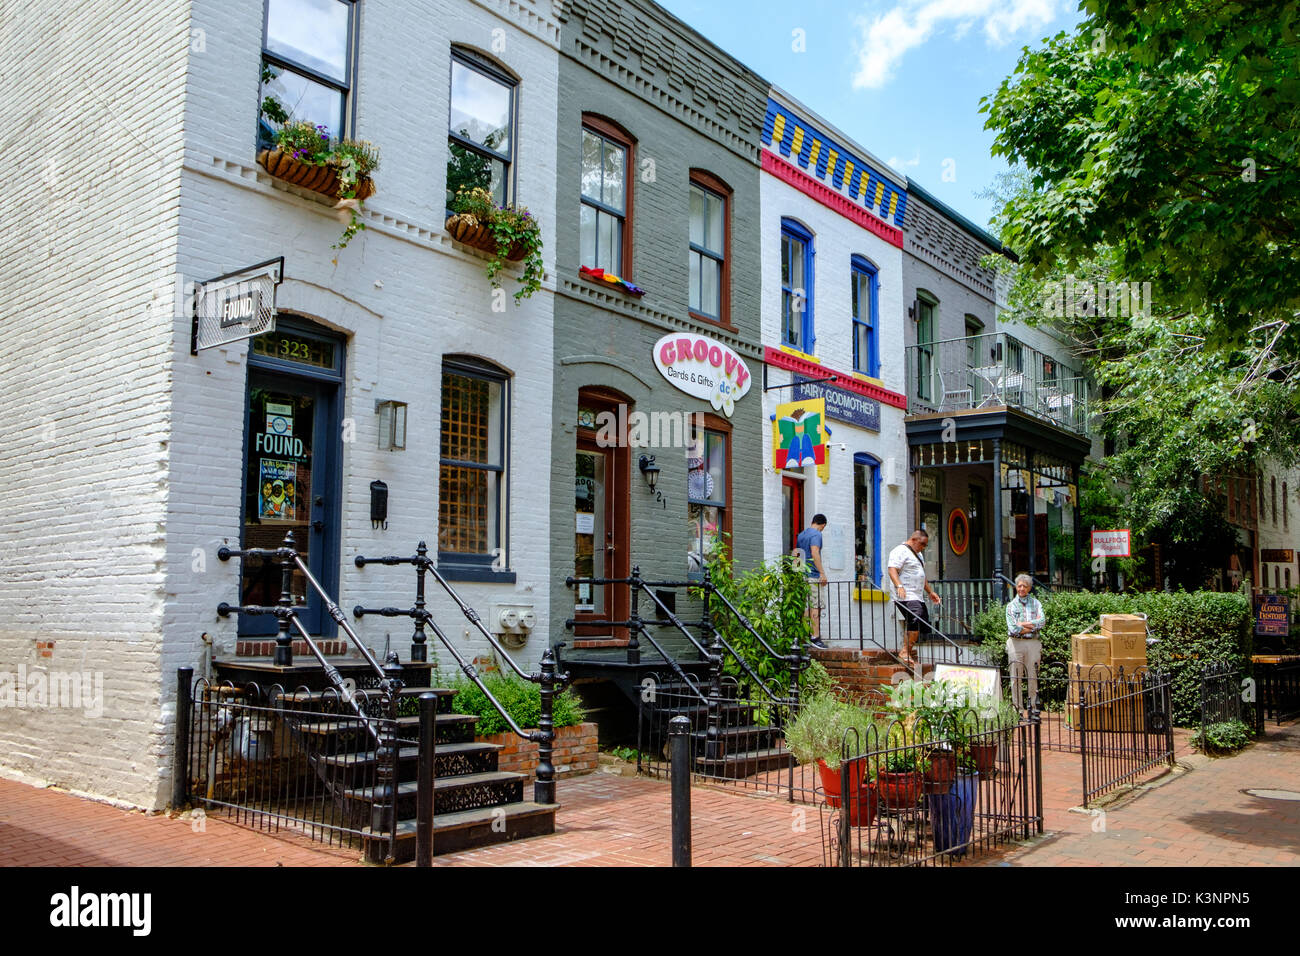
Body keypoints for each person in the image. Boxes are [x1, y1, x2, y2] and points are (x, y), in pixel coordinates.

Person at [887, 530, 941, 666]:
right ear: (914, 539)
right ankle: (904, 652)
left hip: (917, 596)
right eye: (922, 544)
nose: (923, 547)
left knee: (921, 623)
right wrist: (899, 586)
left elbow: (921, 575)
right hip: (905, 594)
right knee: (914, 618)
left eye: (925, 545)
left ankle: (907, 651)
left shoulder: (919, 555)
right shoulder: (899, 551)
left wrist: (930, 592)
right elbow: (892, 569)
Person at [1005, 573, 1044, 710]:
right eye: (1019, 586)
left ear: (1029, 588)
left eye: (1025, 586)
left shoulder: (1036, 603)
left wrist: (1023, 624)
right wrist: (1032, 627)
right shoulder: (1011, 606)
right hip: (1016, 643)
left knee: (1033, 676)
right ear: (1016, 587)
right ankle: (1018, 708)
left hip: (1033, 643)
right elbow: (1013, 628)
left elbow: (1042, 622)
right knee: (1015, 678)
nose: (1021, 588)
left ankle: (1033, 707)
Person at [795, 514, 829, 648]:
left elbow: (797, 553)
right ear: (823, 525)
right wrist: (822, 573)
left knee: (805, 606)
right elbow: (815, 552)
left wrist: (796, 572)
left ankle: (805, 635)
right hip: (813, 575)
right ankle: (815, 637)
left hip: (802, 575)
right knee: (816, 606)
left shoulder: (801, 535)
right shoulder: (817, 535)